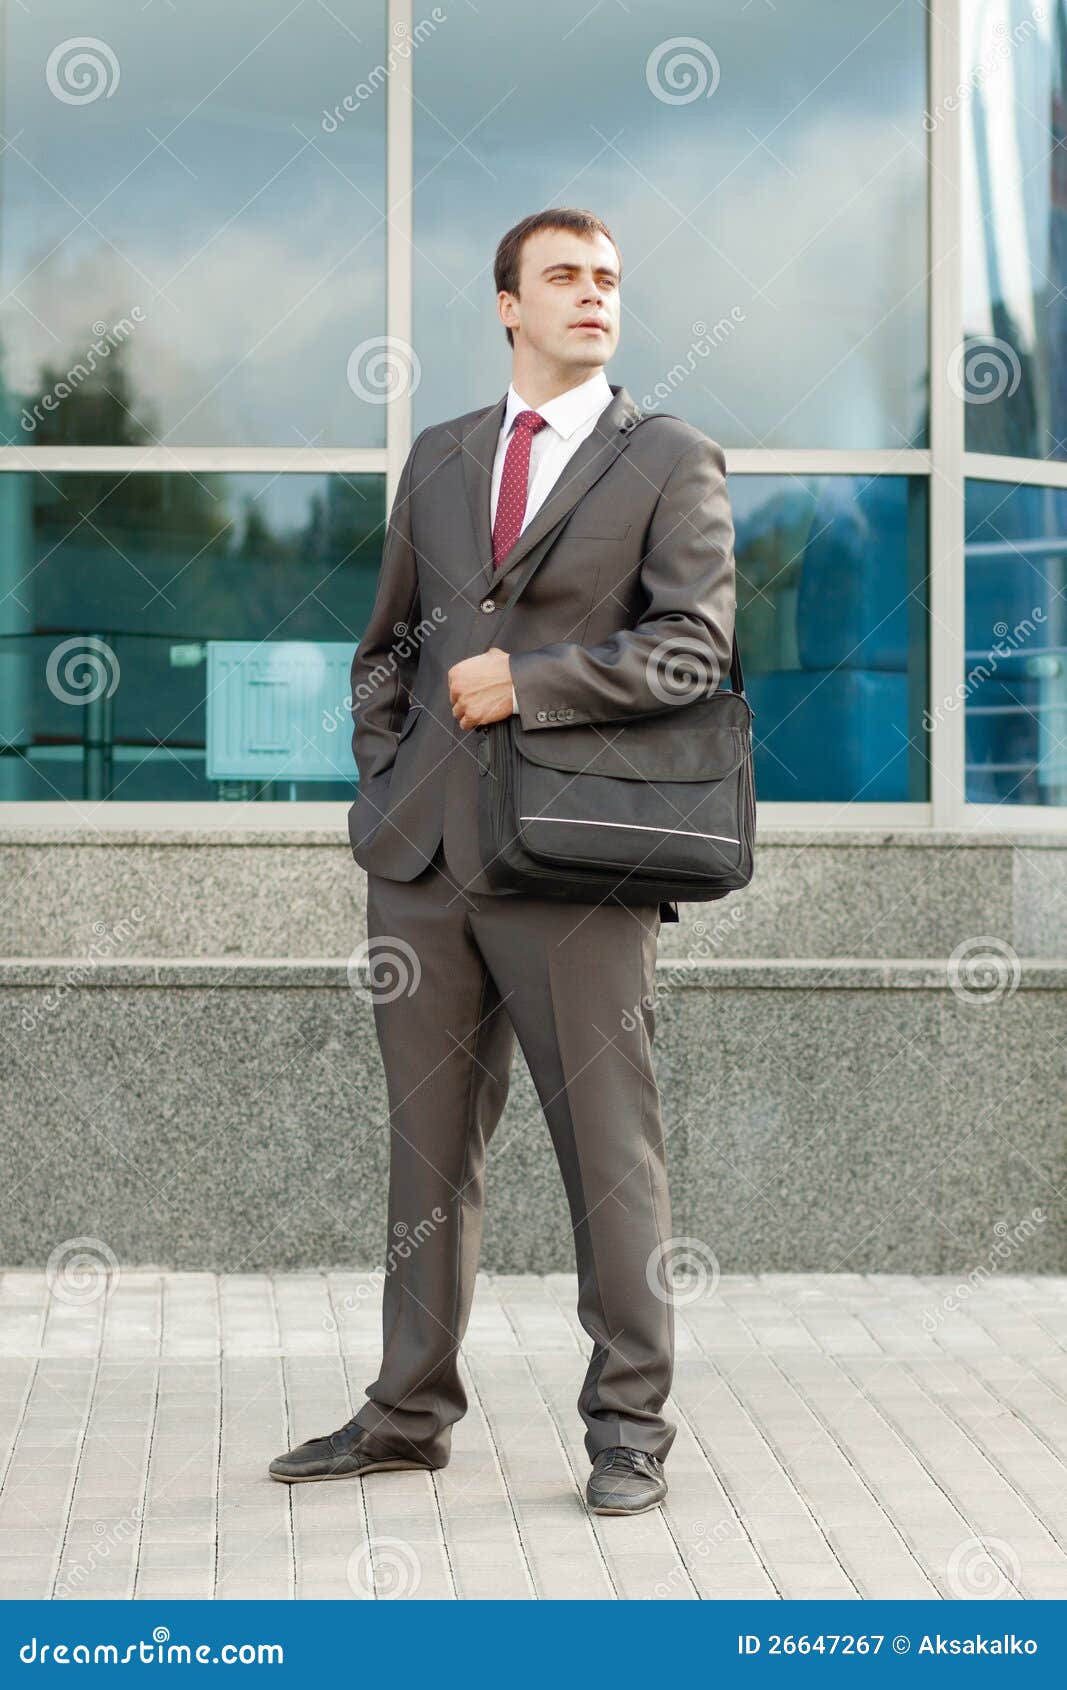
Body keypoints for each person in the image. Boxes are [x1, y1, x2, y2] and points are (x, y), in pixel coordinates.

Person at [270, 208, 736, 1516]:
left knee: (611, 1157)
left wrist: (525, 684)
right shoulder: (440, 457)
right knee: (427, 1160)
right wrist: (385, 774)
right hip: (420, 865)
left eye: (609, 279)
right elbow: (386, 647)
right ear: (506, 304)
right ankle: (408, 1410)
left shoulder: (671, 460)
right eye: (567, 277)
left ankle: (630, 1429)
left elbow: (693, 651)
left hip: (576, 863)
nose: (596, 296)